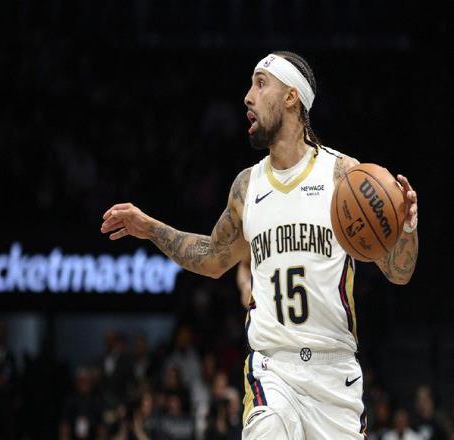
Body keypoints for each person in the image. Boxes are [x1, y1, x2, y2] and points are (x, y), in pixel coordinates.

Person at [101, 51, 419, 438]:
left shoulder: (343, 175)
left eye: (260, 84)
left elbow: (398, 272)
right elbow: (213, 258)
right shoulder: (247, 186)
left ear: (291, 96)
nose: (248, 97)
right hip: (272, 369)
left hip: (335, 373)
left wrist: (405, 228)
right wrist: (150, 228)